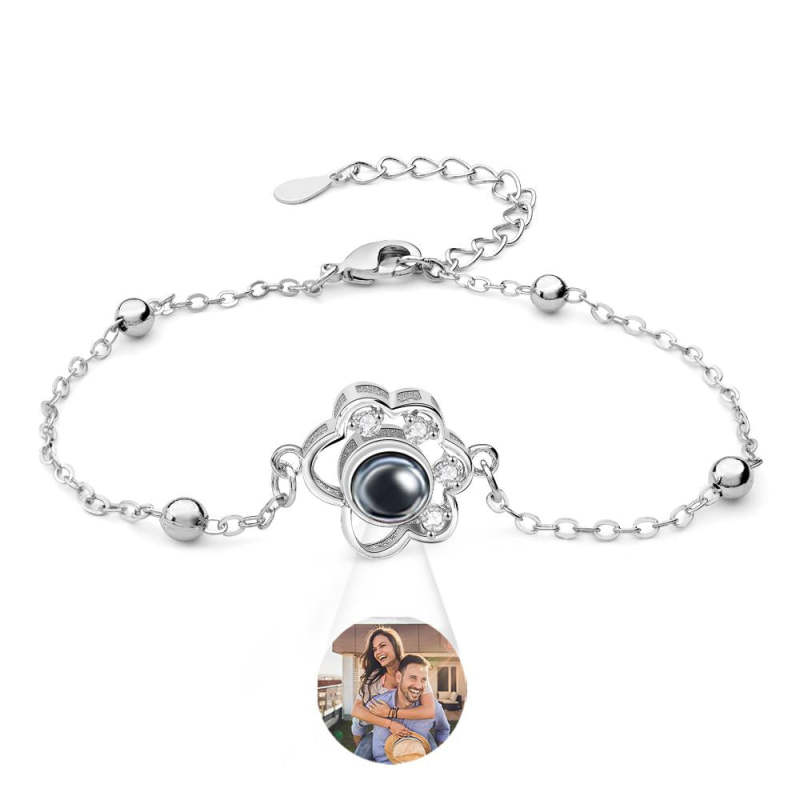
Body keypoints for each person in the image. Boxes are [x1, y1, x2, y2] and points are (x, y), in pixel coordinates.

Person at [350, 628, 437, 760]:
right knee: (361, 746)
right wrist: (389, 724)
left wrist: (391, 712)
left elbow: (429, 711)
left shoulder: (414, 669)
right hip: (379, 726)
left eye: (382, 645)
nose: (378, 652)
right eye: (375, 649)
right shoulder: (374, 679)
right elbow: (356, 710)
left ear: (395, 645)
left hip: (412, 727)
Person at [368, 655, 450, 764]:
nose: (418, 686)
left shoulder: (433, 708)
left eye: (423, 680)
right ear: (398, 677)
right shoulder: (379, 703)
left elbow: (443, 730)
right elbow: (358, 725)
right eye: (413, 678)